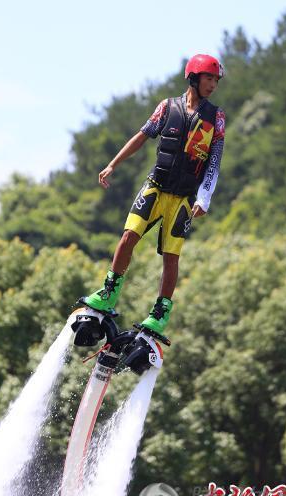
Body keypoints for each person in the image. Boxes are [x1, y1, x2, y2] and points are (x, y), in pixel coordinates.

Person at [82, 54, 226, 336]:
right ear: (194, 78)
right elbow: (141, 136)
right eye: (209, 78)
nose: (213, 85)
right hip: (155, 187)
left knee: (170, 258)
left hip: (183, 198)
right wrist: (113, 164)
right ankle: (110, 291)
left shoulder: (216, 118)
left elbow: (214, 162)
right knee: (128, 237)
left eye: (216, 80)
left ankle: (159, 313)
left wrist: (204, 197)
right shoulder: (166, 107)